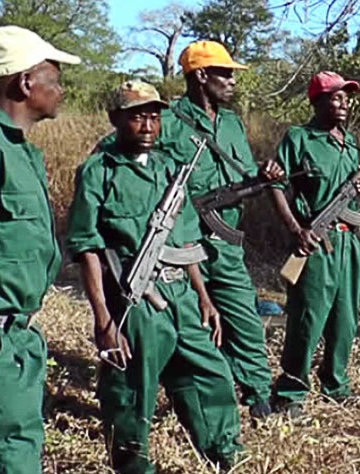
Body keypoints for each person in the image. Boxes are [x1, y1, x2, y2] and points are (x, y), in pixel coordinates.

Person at [66, 80, 242, 472]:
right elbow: (86, 249)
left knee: (211, 377)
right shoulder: (99, 171)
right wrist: (104, 320)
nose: (147, 125)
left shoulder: (168, 168)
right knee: (132, 394)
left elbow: (185, 240)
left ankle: (225, 457)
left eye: (153, 116)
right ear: (115, 119)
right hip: (136, 301)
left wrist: (205, 298)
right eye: (136, 116)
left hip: (181, 295)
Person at [0, 25, 78, 474]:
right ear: (26, 83)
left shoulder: (18, 150)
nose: (60, 88)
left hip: (11, 343)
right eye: (53, 76)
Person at [157, 40, 283, 419]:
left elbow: (243, 174)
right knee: (188, 326)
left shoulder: (231, 122)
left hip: (225, 242)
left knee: (244, 318)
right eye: (225, 73)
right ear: (200, 76)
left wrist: (264, 176)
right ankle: (197, 400)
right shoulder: (168, 121)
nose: (232, 81)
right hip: (182, 242)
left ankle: (258, 394)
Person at [268, 71, 360, 416]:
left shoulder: (350, 140)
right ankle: (291, 392)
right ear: (317, 100)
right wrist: (296, 229)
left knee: (346, 318)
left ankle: (336, 384)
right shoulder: (299, 138)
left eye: (346, 96)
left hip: (348, 241)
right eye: (334, 96)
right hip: (316, 242)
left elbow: (352, 197)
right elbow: (276, 185)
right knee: (307, 318)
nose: (343, 102)